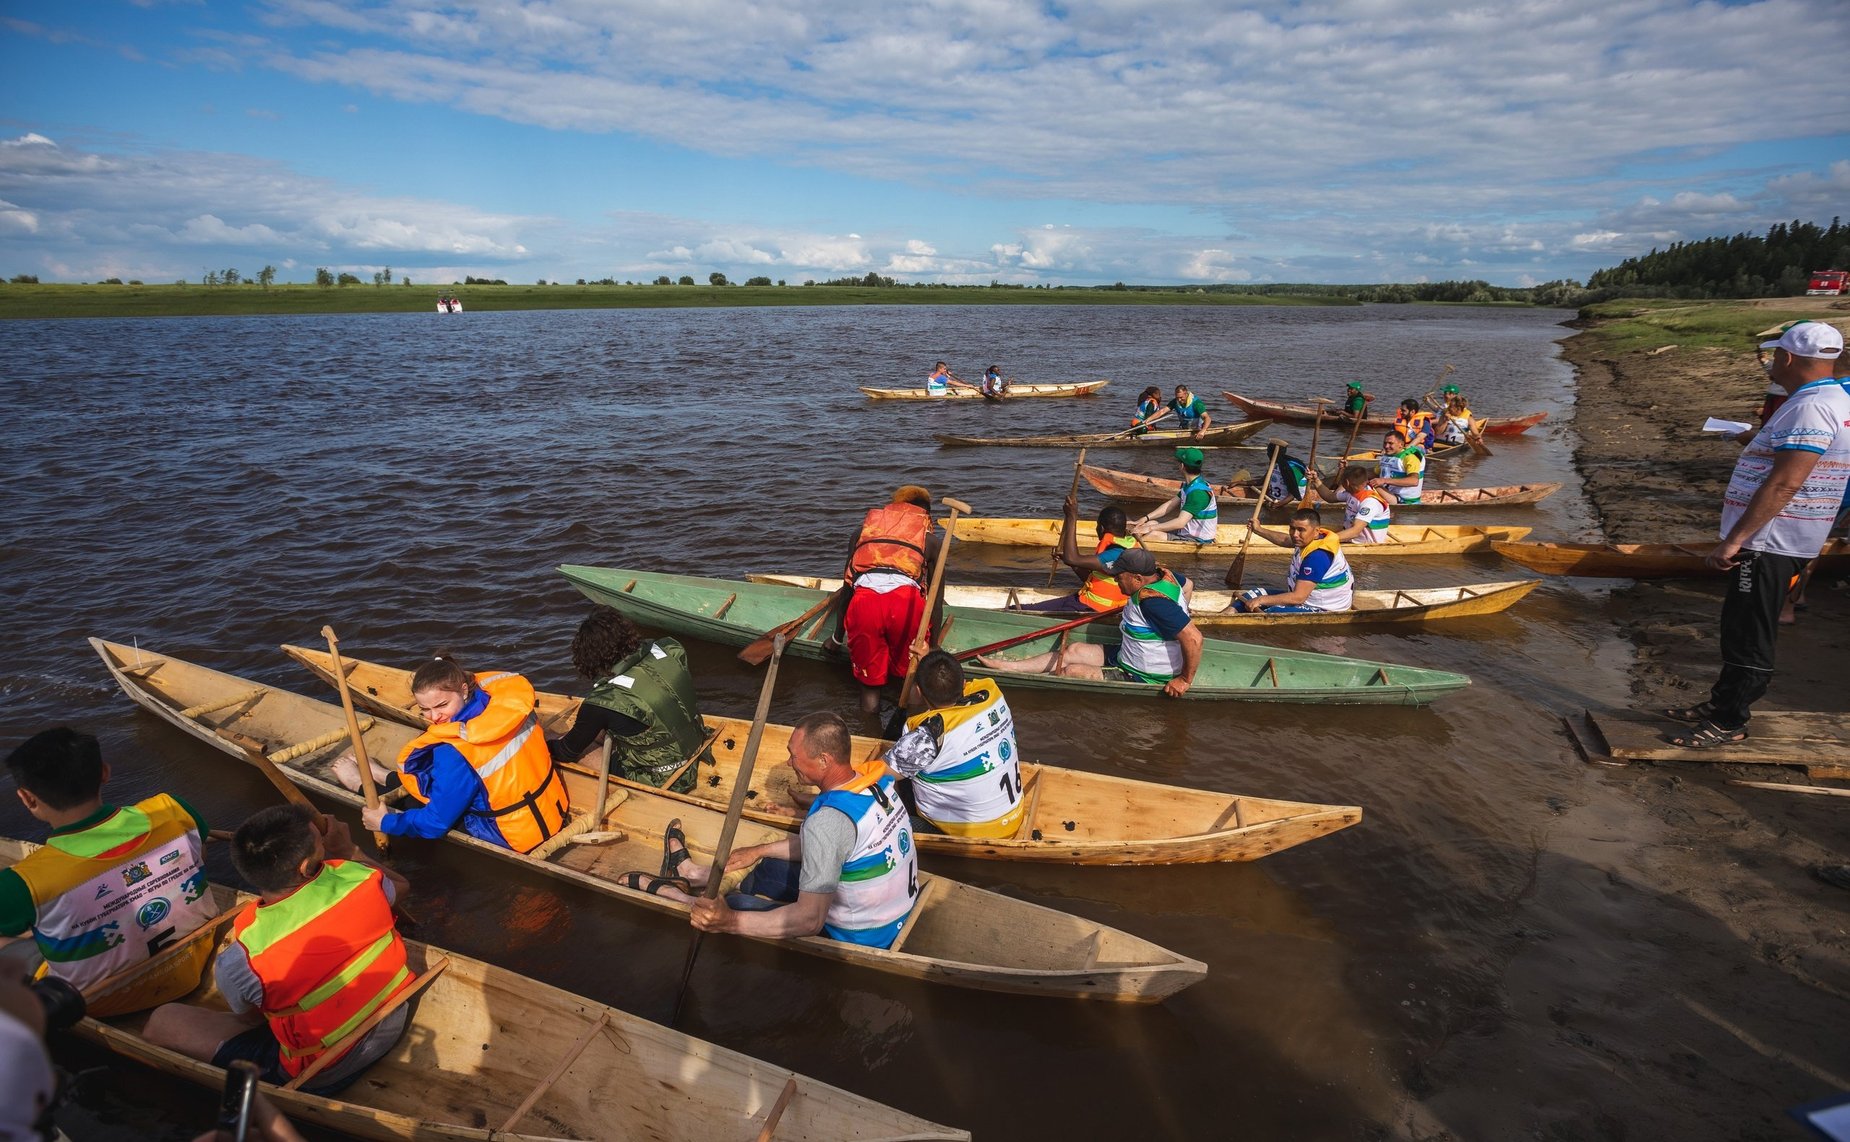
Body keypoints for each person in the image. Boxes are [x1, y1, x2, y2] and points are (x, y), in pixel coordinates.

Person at [143, 805, 413, 1095]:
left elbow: (249, 1018)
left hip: (322, 1072)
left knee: (161, 1021)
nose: (324, 843)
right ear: (305, 866)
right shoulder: (362, 879)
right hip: (394, 1020)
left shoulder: (243, 959)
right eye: (320, 842)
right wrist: (349, 850)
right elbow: (401, 884)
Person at [1667, 321, 1849, 748]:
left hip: (1771, 540)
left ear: (1787, 358)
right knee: (1740, 624)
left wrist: (1735, 539)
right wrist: (1758, 439)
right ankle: (1721, 703)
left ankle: (1730, 720)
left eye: (1773, 355)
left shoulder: (1809, 407)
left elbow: (1786, 483)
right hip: (1786, 536)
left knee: (1748, 632)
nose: (1769, 362)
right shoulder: (1829, 398)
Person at [635, 713, 920, 950]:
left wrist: (729, 921)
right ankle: (695, 875)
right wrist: (758, 850)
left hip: (861, 935)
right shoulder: (874, 784)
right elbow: (832, 846)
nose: (789, 763)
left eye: (793, 756)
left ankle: (685, 900)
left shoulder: (828, 821)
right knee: (767, 865)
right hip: (893, 911)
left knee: (733, 905)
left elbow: (810, 921)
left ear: (823, 760)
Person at [0, 728, 219, 1017]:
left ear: (27, 798)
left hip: (98, 1002)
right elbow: (199, 856)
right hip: (193, 962)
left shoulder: (22, 882)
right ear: (104, 772)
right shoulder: (173, 810)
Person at [353, 656, 570, 854]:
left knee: (414, 807)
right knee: (447, 786)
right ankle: (386, 775)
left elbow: (435, 824)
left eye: (442, 705)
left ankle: (357, 782)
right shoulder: (506, 706)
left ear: (464, 690)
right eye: (424, 709)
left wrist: (385, 823)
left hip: (511, 837)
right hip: (551, 813)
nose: (434, 716)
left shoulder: (454, 750)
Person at [979, 546, 1203, 697]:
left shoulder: (1153, 602)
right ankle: (1009, 667)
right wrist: (1177, 615)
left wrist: (1183, 679)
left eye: (1119, 576)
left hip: (1144, 674)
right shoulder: (1166, 575)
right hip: (1128, 654)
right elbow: (1188, 585)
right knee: (1073, 650)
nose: (1115, 581)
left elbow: (1194, 638)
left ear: (1138, 578)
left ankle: (1020, 684)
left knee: (1070, 671)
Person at [546, 607, 709, 793]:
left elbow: (567, 751)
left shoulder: (603, 700)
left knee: (566, 741)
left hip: (660, 775)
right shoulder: (669, 649)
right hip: (694, 741)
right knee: (604, 725)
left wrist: (548, 741)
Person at [885, 650, 1026, 838]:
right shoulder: (992, 693)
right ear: (965, 682)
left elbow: (881, 772)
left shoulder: (928, 736)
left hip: (967, 833)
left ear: (918, 691)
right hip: (1015, 816)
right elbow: (950, 682)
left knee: (888, 790)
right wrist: (930, 656)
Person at [840, 485, 942, 716]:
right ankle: (911, 731)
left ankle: (870, 737)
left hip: (864, 604)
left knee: (869, 689)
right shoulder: (931, 541)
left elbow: (847, 588)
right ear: (924, 515)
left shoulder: (862, 532)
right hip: (905, 605)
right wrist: (933, 646)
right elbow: (936, 599)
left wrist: (836, 638)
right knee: (913, 679)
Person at [1021, 492, 1143, 613]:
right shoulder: (1128, 544)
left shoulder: (1115, 553)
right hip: (1090, 600)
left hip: (1095, 609)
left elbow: (1072, 558)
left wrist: (1071, 517)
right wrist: (1073, 563)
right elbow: (1089, 576)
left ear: (1101, 528)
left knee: (1026, 611)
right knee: (1028, 608)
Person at [1227, 508, 1355, 614]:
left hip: (1324, 607)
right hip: (1305, 597)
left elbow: (1299, 597)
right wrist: (1259, 530)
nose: (1295, 534)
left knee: (1272, 611)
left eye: (1301, 530)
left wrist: (1261, 600)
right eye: (1292, 528)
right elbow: (1285, 540)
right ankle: (1227, 614)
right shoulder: (1309, 539)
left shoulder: (1317, 556)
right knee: (1255, 593)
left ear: (1316, 531)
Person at [1131, 447, 1219, 544]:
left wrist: (1149, 529)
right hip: (1186, 532)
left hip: (1198, 540)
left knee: (1153, 535)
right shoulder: (1190, 485)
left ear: (1182, 466)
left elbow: (1180, 523)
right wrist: (1144, 519)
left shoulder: (1198, 493)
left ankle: (1128, 551)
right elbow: (1170, 505)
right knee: (1151, 523)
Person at [1306, 463, 1394, 544]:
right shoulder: (1352, 493)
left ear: (1346, 483)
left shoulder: (1369, 502)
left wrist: (1323, 541)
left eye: (1342, 481)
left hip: (1364, 545)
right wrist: (1316, 480)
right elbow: (1330, 497)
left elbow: (1355, 532)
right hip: (1350, 538)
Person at [1369, 428, 1426, 505]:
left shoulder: (1409, 457)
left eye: (1390, 443)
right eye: (1385, 443)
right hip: (1390, 494)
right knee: (1361, 481)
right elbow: (1373, 473)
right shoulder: (1387, 456)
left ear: (1401, 444)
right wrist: (1352, 471)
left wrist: (1384, 480)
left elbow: (1414, 481)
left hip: (1405, 501)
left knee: (1369, 485)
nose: (1386, 446)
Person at [1261, 440, 1310, 506]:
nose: (1267, 454)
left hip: (1294, 499)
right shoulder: (1274, 463)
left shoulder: (1289, 467)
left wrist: (1278, 504)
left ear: (1273, 453)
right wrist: (1243, 482)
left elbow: (1293, 494)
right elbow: (1263, 481)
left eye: (1268, 452)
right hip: (1276, 498)